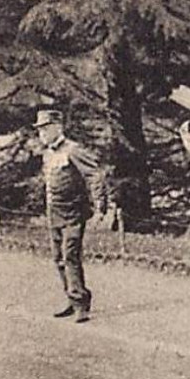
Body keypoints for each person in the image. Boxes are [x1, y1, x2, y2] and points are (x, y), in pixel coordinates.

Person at [33, 107, 109, 323]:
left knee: (70, 256)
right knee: (58, 258)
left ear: (58, 127)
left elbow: (95, 175)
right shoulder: (48, 153)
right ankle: (71, 296)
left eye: (46, 129)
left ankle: (80, 303)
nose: (42, 134)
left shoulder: (73, 150)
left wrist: (100, 205)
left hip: (74, 213)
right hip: (54, 213)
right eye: (40, 131)